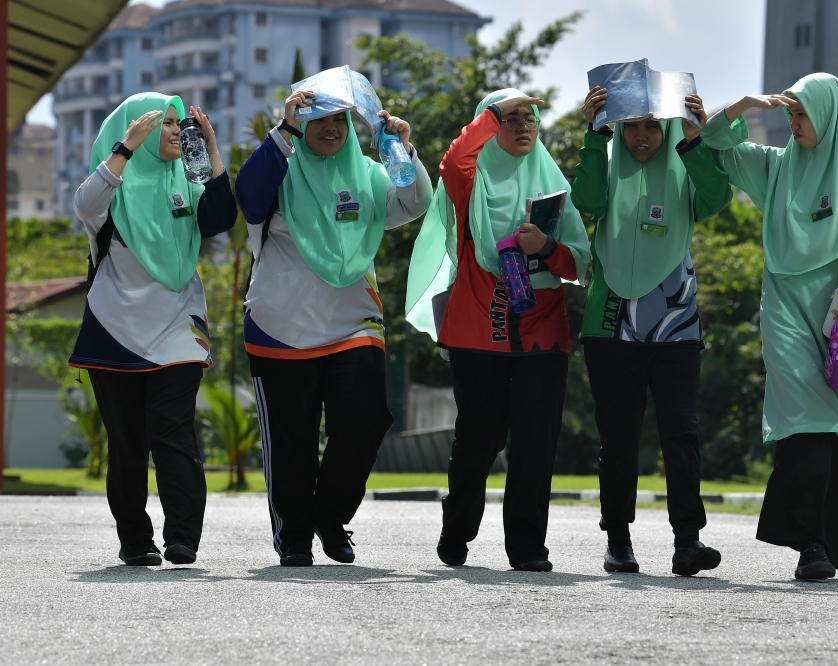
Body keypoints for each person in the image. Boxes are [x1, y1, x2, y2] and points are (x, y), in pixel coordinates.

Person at [700, 73, 838, 580]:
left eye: (802, 115)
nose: (793, 125)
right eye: (789, 114)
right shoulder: (775, 169)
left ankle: (830, 544)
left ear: (834, 119)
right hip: (786, 314)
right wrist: (740, 106)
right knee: (806, 417)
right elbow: (714, 145)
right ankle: (809, 544)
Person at [234, 87, 432, 567]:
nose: (330, 130)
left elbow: (414, 202)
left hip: (353, 323)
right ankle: (295, 535)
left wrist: (401, 150)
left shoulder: (367, 173)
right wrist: (281, 132)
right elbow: (248, 197)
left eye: (340, 121)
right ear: (299, 128)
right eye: (318, 121)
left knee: (365, 422)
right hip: (280, 326)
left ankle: (331, 516)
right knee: (291, 439)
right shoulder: (279, 170)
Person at [405, 90, 591, 572]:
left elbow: (577, 263)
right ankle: (458, 528)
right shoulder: (473, 182)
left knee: (535, 442)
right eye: (511, 119)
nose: (523, 126)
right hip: (476, 328)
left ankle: (527, 547)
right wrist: (492, 114)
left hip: (542, 333)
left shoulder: (552, 183)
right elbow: (451, 162)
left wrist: (547, 245)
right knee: (479, 439)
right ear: (489, 125)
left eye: (530, 118)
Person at [69, 93, 237, 566]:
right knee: (126, 443)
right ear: (134, 130)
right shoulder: (111, 187)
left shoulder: (188, 179)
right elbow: (85, 204)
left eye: (178, 124)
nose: (174, 131)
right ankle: (135, 540)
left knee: (174, 431)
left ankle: (183, 536)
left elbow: (222, 217)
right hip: (114, 330)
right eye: (164, 123)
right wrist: (124, 150)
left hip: (178, 330)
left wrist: (211, 150)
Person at [570, 88, 732, 575]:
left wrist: (694, 142)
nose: (642, 137)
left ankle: (688, 540)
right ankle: (618, 541)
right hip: (609, 321)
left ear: (665, 129)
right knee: (618, 437)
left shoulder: (684, 165)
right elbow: (586, 198)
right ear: (619, 129)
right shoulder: (606, 160)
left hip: (676, 323)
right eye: (632, 127)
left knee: (681, 431)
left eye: (652, 126)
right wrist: (595, 136)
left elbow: (717, 198)